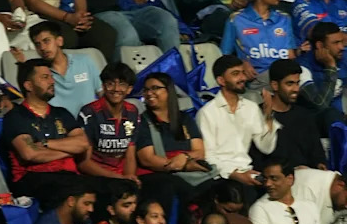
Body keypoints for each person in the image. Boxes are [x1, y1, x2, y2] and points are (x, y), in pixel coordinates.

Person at [0, 59, 89, 201]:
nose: (52, 81)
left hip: (68, 176)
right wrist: (70, 150)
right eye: (45, 77)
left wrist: (45, 144)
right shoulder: (15, 117)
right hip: (33, 179)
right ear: (28, 85)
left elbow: (83, 144)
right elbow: (30, 154)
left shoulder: (62, 113)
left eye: (51, 77)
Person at [196, 54, 278, 190]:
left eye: (242, 73)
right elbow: (208, 158)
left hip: (248, 171)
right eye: (235, 74)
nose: (243, 78)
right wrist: (235, 174)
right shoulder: (207, 113)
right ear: (221, 80)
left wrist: (268, 116)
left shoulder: (251, 108)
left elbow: (266, 147)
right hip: (220, 177)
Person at [134, 71, 211, 203]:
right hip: (158, 174)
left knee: (219, 186)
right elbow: (147, 159)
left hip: (186, 169)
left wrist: (185, 157)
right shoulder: (142, 121)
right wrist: (183, 166)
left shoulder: (185, 119)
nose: (149, 93)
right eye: (146, 89)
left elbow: (199, 151)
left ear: (169, 91)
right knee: (179, 188)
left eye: (155, 88)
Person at [219, 0, 297, 76]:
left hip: (283, 78)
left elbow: (290, 56)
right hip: (256, 79)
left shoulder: (284, 19)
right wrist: (241, 64)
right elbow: (224, 58)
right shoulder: (236, 20)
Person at [76, 61, 140, 190]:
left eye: (122, 84)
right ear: (103, 86)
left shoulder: (133, 112)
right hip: (96, 177)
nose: (116, 89)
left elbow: (130, 153)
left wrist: (129, 179)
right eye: (110, 83)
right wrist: (118, 179)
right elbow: (84, 163)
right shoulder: (89, 113)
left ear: (129, 89)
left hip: (121, 177)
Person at [264, 56, 327, 173]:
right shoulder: (259, 114)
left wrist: (319, 164)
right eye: (290, 84)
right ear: (274, 85)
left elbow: (317, 153)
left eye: (297, 83)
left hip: (307, 177)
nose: (296, 89)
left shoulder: (304, 115)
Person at [28, 20, 101, 113]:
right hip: (60, 125)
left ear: (59, 41)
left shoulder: (84, 61)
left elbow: (101, 92)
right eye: (38, 44)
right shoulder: (41, 73)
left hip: (90, 124)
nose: (42, 48)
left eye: (46, 41)